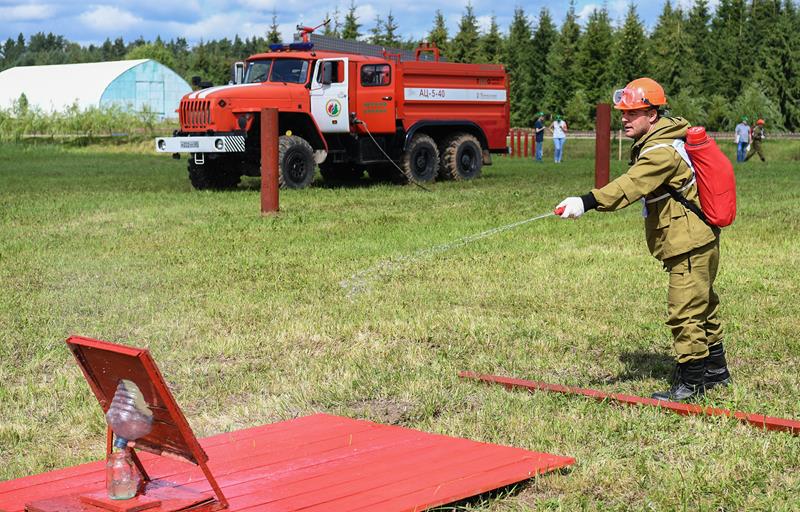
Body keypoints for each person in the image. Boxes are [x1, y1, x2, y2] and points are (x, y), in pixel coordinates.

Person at [555, 77, 730, 402]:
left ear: (652, 114)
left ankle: (692, 386)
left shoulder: (660, 153)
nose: (624, 118)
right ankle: (716, 372)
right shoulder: (667, 140)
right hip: (699, 238)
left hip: (689, 242)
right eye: (623, 112)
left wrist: (586, 201)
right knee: (702, 305)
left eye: (632, 112)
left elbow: (629, 186)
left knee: (685, 311)